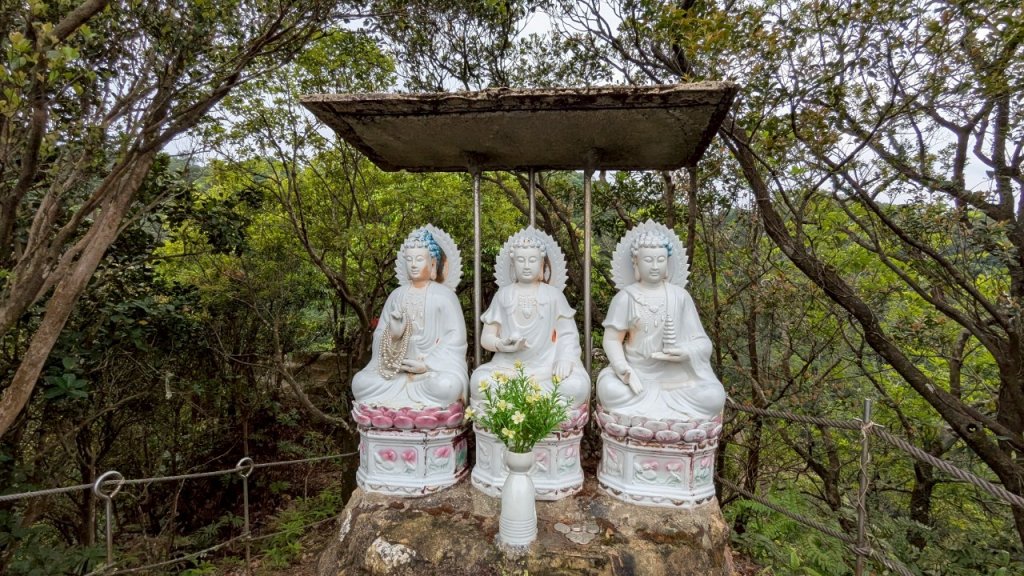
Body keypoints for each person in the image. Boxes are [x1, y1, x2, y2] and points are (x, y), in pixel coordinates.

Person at [596, 227, 725, 421]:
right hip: (637, 375)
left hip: (677, 381)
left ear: (668, 262)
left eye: (661, 260)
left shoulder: (680, 296)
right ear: (636, 262)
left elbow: (702, 342)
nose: (655, 266)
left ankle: (651, 417)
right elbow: (612, 339)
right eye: (648, 260)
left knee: (713, 397)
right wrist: (623, 368)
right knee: (609, 389)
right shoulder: (625, 298)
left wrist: (686, 352)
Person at [469, 228, 589, 411]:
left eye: (532, 260)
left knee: (576, 386)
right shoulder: (503, 295)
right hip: (509, 369)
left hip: (547, 367)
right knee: (480, 380)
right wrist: (502, 345)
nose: (526, 265)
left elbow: (568, 335)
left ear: (542, 265)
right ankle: (537, 403)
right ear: (513, 265)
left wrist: (564, 358)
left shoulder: (554, 296)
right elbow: (486, 338)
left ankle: (514, 404)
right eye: (520, 260)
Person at [352, 227, 468, 409]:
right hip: (396, 372)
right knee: (360, 383)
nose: (413, 264)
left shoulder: (445, 296)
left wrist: (427, 364)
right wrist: (393, 335)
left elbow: (456, 338)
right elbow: (380, 334)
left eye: (419, 259)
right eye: (409, 259)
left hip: (430, 372)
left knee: (447, 386)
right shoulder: (396, 295)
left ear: (432, 265)